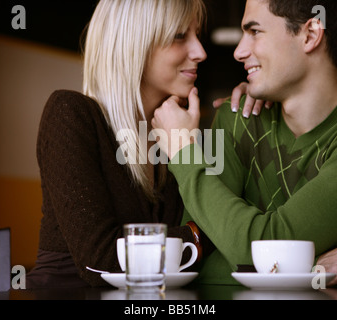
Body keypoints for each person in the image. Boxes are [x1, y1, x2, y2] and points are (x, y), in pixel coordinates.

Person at [152, 0, 337, 288]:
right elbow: (196, 259)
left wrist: (183, 151)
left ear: (310, 34)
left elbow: (260, 245)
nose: (239, 51)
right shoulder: (237, 118)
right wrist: (309, 270)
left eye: (254, 31)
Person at [26, 0, 208, 288]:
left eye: (197, 35)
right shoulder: (69, 113)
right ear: (134, 43)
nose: (200, 52)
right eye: (179, 35)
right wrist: (201, 236)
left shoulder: (174, 131)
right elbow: (101, 259)